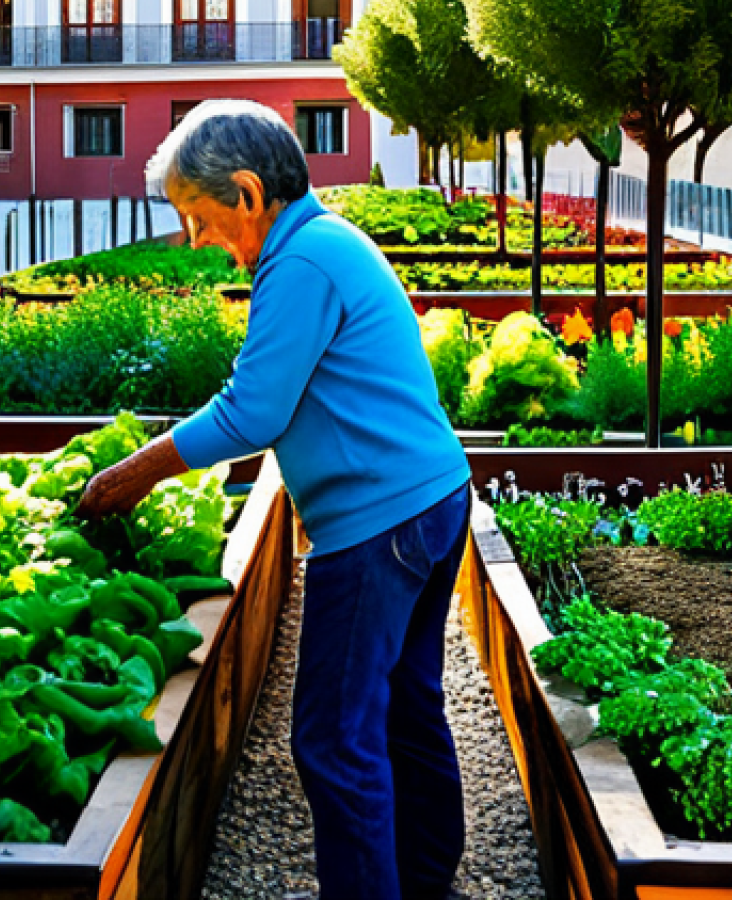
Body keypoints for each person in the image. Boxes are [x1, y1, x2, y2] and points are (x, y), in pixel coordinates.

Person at [77, 100, 472, 900]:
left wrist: (134, 472)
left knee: (332, 739)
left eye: (199, 216)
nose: (195, 239)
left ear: (250, 193)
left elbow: (252, 413)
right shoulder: (326, 242)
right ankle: (425, 879)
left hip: (378, 526)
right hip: (430, 499)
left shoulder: (300, 263)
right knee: (407, 708)